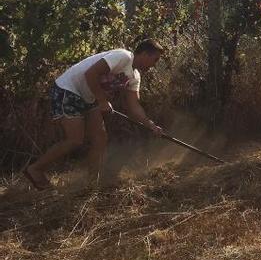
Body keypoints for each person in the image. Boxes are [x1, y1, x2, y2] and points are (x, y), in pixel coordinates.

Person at [23, 39, 165, 190]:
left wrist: (150, 124)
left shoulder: (134, 77)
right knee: (75, 139)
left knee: (100, 138)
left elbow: (134, 106)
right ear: (144, 54)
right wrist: (102, 101)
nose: (154, 65)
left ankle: (92, 182)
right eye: (154, 60)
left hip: (89, 97)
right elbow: (90, 73)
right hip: (68, 89)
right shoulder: (123, 56)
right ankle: (35, 169)